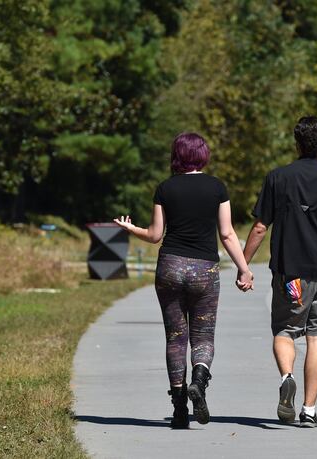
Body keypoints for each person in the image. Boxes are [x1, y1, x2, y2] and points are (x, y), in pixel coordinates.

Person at [114, 132, 254, 429]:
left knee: (176, 338)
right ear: (203, 155)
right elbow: (227, 234)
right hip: (205, 270)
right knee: (202, 336)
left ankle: (179, 409)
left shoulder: (165, 188)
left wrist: (131, 228)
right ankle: (199, 382)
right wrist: (243, 268)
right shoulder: (217, 188)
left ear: (177, 155)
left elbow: (154, 235)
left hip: (170, 268)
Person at [241, 116, 317, 427]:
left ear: (297, 143)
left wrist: (243, 266)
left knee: (285, 330)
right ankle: (308, 410)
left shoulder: (277, 178)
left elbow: (259, 227)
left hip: (289, 273)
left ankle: (287, 376)